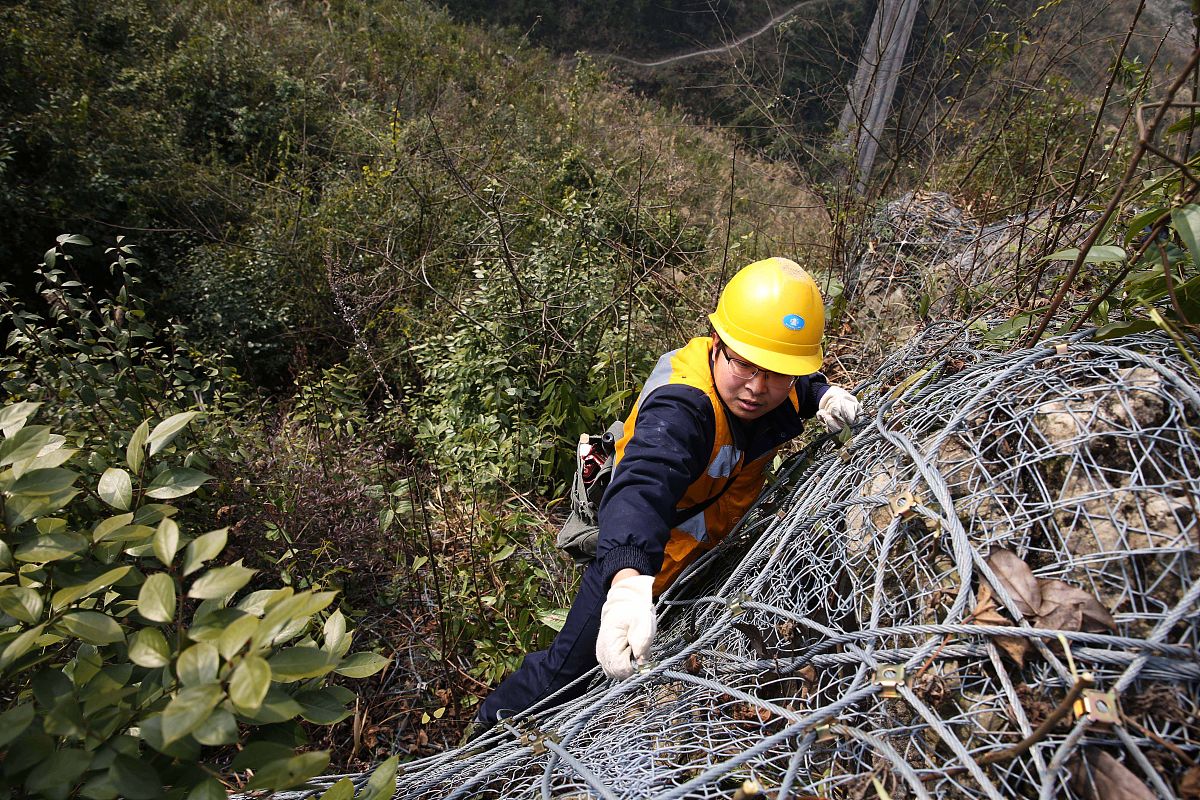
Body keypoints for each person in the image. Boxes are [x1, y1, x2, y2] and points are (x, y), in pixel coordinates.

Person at [471, 256, 861, 733]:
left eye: (777, 373)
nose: (758, 389)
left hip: (699, 559)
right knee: (564, 672)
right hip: (639, 560)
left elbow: (793, 381)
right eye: (744, 365)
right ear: (718, 344)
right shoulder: (684, 406)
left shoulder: (775, 378)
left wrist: (821, 394)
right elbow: (643, 483)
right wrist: (628, 583)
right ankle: (489, 730)